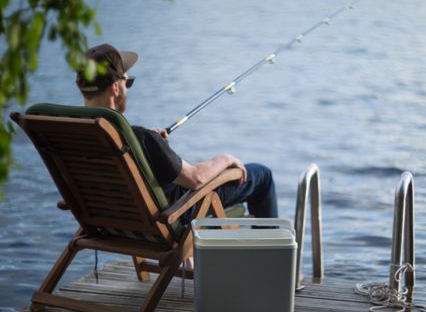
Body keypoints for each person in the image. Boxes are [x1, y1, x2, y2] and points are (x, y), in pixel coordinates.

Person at [75, 43, 278, 225]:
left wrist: (152, 144)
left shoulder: (74, 137)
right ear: (115, 88)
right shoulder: (139, 139)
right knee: (262, 176)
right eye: (127, 82)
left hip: (112, 221)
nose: (127, 88)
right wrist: (225, 159)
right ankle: (273, 261)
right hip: (173, 213)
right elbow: (196, 178)